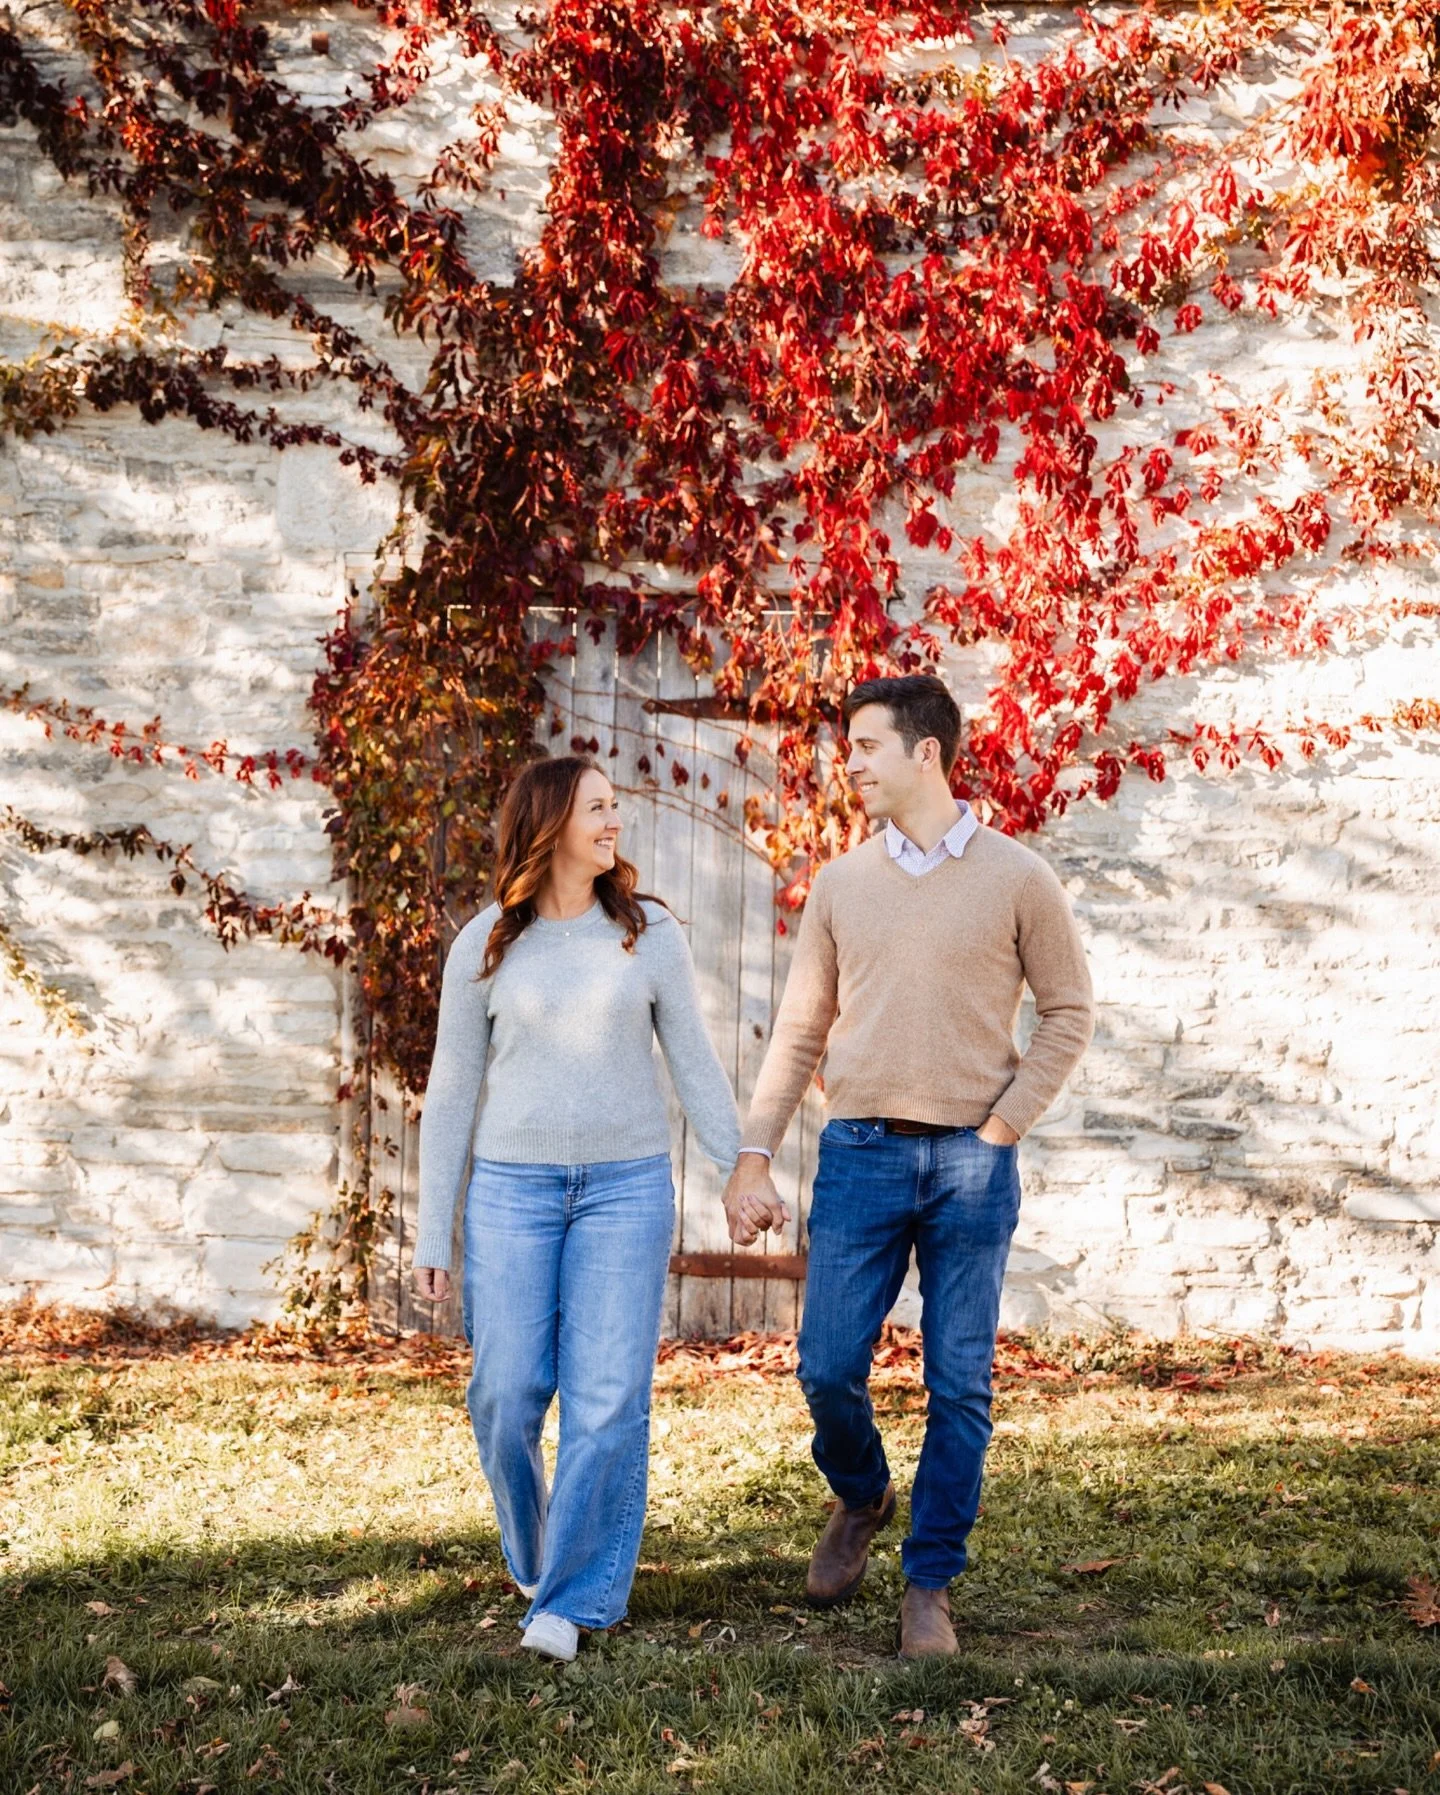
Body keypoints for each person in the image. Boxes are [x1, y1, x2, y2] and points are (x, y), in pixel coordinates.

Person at [722, 673, 1094, 1658]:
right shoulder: (843, 885)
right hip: (862, 1154)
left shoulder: (1019, 878)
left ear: (925, 752)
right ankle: (860, 1492)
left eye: (866, 745)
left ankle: (929, 1582)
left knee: (960, 1383)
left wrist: (1006, 1127)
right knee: (828, 1365)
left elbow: (1068, 1013)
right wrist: (753, 1151)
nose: (849, 762)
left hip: (975, 1159)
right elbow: (802, 1028)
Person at [411, 755, 740, 1663]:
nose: (615, 821)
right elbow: (450, 1094)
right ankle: (536, 1552)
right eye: (600, 807)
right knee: (505, 1394)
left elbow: (696, 1063)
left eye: (616, 807)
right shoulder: (485, 944)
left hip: (624, 1190)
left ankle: (576, 1597)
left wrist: (738, 1162)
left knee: (606, 1400)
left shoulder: (649, 934)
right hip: (512, 1193)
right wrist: (433, 1221)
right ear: (551, 824)